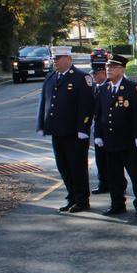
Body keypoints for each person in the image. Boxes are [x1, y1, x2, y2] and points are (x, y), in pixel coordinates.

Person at [36, 46, 95, 212]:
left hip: (74, 133)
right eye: (54, 58)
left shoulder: (81, 78)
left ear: (68, 58)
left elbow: (87, 105)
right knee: (63, 167)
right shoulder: (51, 77)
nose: (55, 61)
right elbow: (44, 103)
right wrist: (41, 124)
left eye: (58, 58)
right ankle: (72, 197)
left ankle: (82, 200)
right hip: (57, 131)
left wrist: (83, 127)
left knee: (77, 167)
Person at [95, 54, 137, 217]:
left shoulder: (133, 88)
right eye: (108, 67)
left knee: (136, 175)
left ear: (122, 69)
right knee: (114, 176)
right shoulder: (103, 89)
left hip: (129, 141)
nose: (109, 70)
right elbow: (99, 114)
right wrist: (98, 134)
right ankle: (117, 203)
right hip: (110, 141)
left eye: (113, 67)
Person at [89, 51, 110, 195]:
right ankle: (103, 182)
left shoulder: (108, 87)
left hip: (109, 130)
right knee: (100, 160)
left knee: (110, 161)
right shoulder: (96, 88)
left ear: (104, 73)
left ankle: (113, 183)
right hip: (98, 129)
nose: (94, 77)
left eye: (96, 74)